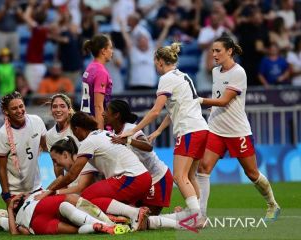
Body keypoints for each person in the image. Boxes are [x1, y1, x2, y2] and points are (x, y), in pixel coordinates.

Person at [120, 42, 209, 223]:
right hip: (201, 128)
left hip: (188, 130)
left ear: (160, 61)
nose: (155, 66)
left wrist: (133, 130)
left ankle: (197, 216)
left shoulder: (166, 78)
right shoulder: (184, 76)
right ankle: (200, 214)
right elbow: (174, 109)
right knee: (190, 176)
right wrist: (159, 131)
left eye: (155, 62)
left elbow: (155, 111)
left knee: (179, 176)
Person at [196, 34, 280, 221]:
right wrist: (207, 107)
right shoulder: (215, 72)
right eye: (213, 51)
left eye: (218, 51)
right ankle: (201, 215)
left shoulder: (239, 72)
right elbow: (217, 97)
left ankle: (272, 204)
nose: (214, 54)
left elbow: (225, 100)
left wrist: (199, 100)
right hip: (216, 128)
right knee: (203, 167)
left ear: (229, 51)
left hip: (237, 131)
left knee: (252, 173)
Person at [35, 111, 152, 231]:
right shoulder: (104, 133)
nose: (75, 135)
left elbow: (71, 176)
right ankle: (132, 217)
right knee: (93, 199)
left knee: (86, 197)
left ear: (77, 129)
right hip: (141, 176)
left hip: (132, 178)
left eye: (73, 131)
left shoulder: (88, 142)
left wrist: (50, 191)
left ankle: (133, 214)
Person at [0, 91, 48, 231]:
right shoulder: (2, 134)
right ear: (6, 111)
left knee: (43, 220)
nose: (20, 111)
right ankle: (2, 220)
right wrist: (6, 196)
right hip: (16, 193)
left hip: (37, 188)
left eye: (21, 106)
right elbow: (1, 168)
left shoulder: (36, 121)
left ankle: (7, 219)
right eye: (14, 108)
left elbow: (47, 146)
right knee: (27, 229)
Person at [103, 99, 173, 215]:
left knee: (146, 220)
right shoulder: (115, 133)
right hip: (140, 182)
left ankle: (181, 217)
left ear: (116, 115)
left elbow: (148, 146)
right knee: (131, 217)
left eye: (106, 110)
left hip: (157, 178)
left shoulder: (130, 129)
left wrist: (128, 140)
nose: (103, 113)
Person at [6, 191, 129, 235]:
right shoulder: (31, 197)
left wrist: (10, 210)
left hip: (37, 224)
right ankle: (107, 221)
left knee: (75, 230)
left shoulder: (18, 219)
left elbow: (16, 233)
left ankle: (96, 226)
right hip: (43, 206)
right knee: (68, 201)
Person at [80, 34, 113, 129]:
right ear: (103, 51)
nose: (112, 51)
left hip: (87, 120)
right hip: (95, 123)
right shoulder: (101, 72)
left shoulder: (90, 67)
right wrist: (100, 133)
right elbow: (98, 106)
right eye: (110, 48)